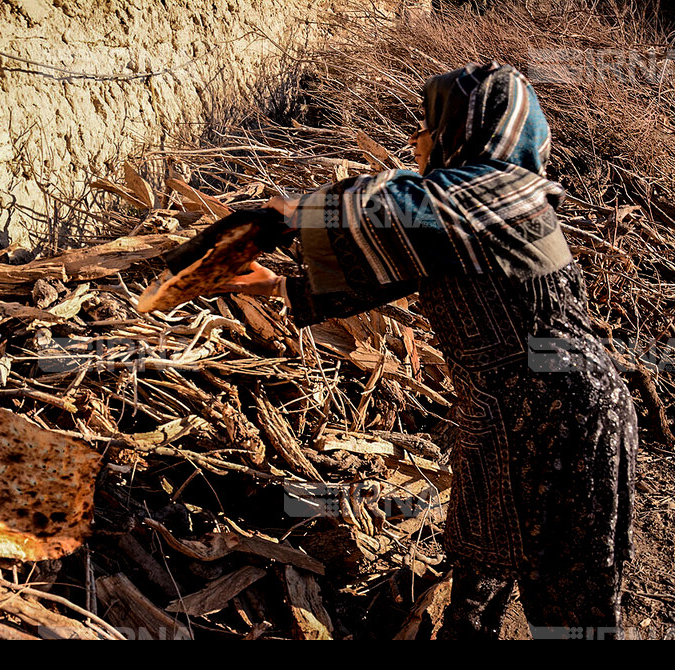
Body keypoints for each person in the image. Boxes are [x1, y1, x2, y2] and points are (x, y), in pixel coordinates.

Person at [222, 62, 638, 639]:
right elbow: (392, 265)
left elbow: (397, 207)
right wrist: (272, 285)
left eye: (426, 127)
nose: (416, 142)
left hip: (562, 417)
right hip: (513, 412)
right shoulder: (484, 205)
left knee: (568, 593)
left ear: (460, 133)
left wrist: (292, 213)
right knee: (483, 555)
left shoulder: (494, 196)